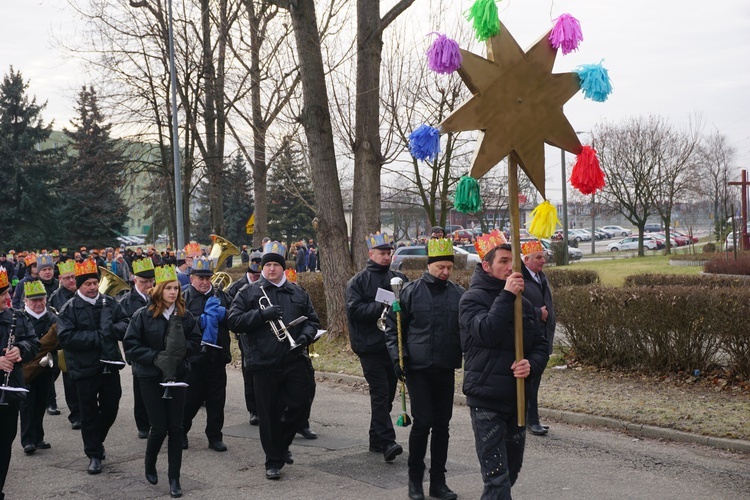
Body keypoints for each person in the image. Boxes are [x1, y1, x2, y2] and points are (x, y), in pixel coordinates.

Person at [459, 238, 549, 499]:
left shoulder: (524, 302)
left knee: (511, 471)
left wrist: (530, 364)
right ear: (486, 266)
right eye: (503, 261)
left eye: (513, 261)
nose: (511, 267)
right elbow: (487, 332)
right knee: (497, 476)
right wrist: (507, 295)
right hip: (486, 399)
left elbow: (541, 344)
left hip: (518, 398)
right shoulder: (471, 300)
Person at [227, 241, 320, 480]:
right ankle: (273, 461)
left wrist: (306, 337)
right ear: (262, 268)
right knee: (267, 415)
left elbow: (312, 320)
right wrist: (260, 315)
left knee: (300, 405)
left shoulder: (297, 291)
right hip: (263, 362)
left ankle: (280, 445)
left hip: (294, 359)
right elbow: (233, 321)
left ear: (282, 268)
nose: (270, 269)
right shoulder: (248, 292)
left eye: (275, 265)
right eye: (267, 265)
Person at [384, 238, 464, 500]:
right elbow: (392, 327)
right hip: (417, 368)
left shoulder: (457, 293)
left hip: (445, 367)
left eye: (449, 268)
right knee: (424, 423)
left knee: (442, 424)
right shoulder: (410, 291)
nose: (445, 272)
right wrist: (398, 358)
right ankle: (415, 480)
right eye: (441, 267)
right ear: (430, 265)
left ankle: (438, 482)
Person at [124, 265, 202, 498]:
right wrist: (156, 357)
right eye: (168, 288)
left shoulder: (184, 315)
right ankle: (149, 463)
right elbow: (131, 345)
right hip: (150, 377)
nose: (173, 292)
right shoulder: (143, 315)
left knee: (176, 428)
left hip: (177, 376)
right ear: (158, 290)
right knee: (158, 427)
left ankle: (174, 478)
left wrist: (179, 353)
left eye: (176, 288)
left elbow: (196, 342)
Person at [56, 259, 130, 475]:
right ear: (79, 285)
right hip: (83, 369)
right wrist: (99, 337)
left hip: (109, 365)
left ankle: (96, 442)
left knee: (111, 407)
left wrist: (111, 331)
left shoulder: (109, 302)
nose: (92, 287)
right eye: (87, 283)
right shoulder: (69, 308)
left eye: (94, 283)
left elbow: (126, 323)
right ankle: (94, 454)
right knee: (88, 414)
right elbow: (66, 337)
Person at [345, 232, 407, 462]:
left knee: (388, 394)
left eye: (389, 253)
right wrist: (384, 303)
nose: (386, 257)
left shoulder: (399, 277)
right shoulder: (358, 281)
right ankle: (388, 441)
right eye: (382, 253)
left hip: (392, 346)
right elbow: (355, 312)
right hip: (370, 346)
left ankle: (375, 438)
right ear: (371, 254)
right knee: (380, 393)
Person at [181, 256, 232, 452]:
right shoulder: (184, 297)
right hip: (193, 359)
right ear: (191, 278)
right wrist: (201, 319)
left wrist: (223, 315)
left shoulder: (222, 296)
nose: (204, 282)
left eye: (207, 278)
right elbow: (180, 324)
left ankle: (215, 437)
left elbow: (234, 318)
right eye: (199, 278)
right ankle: (181, 432)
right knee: (190, 400)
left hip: (217, 357)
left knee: (216, 400)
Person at [0, 268, 39, 500]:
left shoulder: (15, 316)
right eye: (2, 294)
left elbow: (33, 341)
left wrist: (20, 349)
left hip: (10, 390)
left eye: (7, 292)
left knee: (4, 443)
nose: (7, 298)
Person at [520, 240, 556, 436]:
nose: (543, 260)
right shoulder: (519, 279)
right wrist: (536, 312)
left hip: (543, 336)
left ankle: (529, 418)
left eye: (543, 256)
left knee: (536, 380)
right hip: (529, 337)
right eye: (538, 257)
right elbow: (516, 305)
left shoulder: (541, 277)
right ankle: (531, 420)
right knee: (530, 381)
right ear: (526, 260)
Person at [119, 258, 156, 439]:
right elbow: (123, 328)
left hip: (156, 348)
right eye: (143, 282)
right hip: (137, 350)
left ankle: (156, 421)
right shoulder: (126, 301)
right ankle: (142, 424)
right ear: (134, 280)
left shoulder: (158, 297)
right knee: (140, 389)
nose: (148, 285)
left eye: (151, 282)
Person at [18, 280, 57, 455]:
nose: (38, 303)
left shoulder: (52, 317)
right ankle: (27, 440)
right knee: (27, 405)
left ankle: (38, 437)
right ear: (26, 301)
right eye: (34, 300)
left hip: (45, 369)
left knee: (41, 402)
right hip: (25, 369)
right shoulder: (19, 318)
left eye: (41, 299)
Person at [226, 248, 263, 426]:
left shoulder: (266, 284)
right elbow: (232, 315)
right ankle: (253, 410)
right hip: (246, 335)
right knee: (249, 371)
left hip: (265, 334)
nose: (257, 277)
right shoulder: (236, 287)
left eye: (259, 274)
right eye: (254, 274)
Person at [49, 260, 80, 429]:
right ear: (60, 278)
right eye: (67, 278)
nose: (71, 281)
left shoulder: (82, 292)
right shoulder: (55, 297)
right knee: (70, 381)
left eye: (74, 277)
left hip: (83, 342)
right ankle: (75, 414)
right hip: (66, 345)